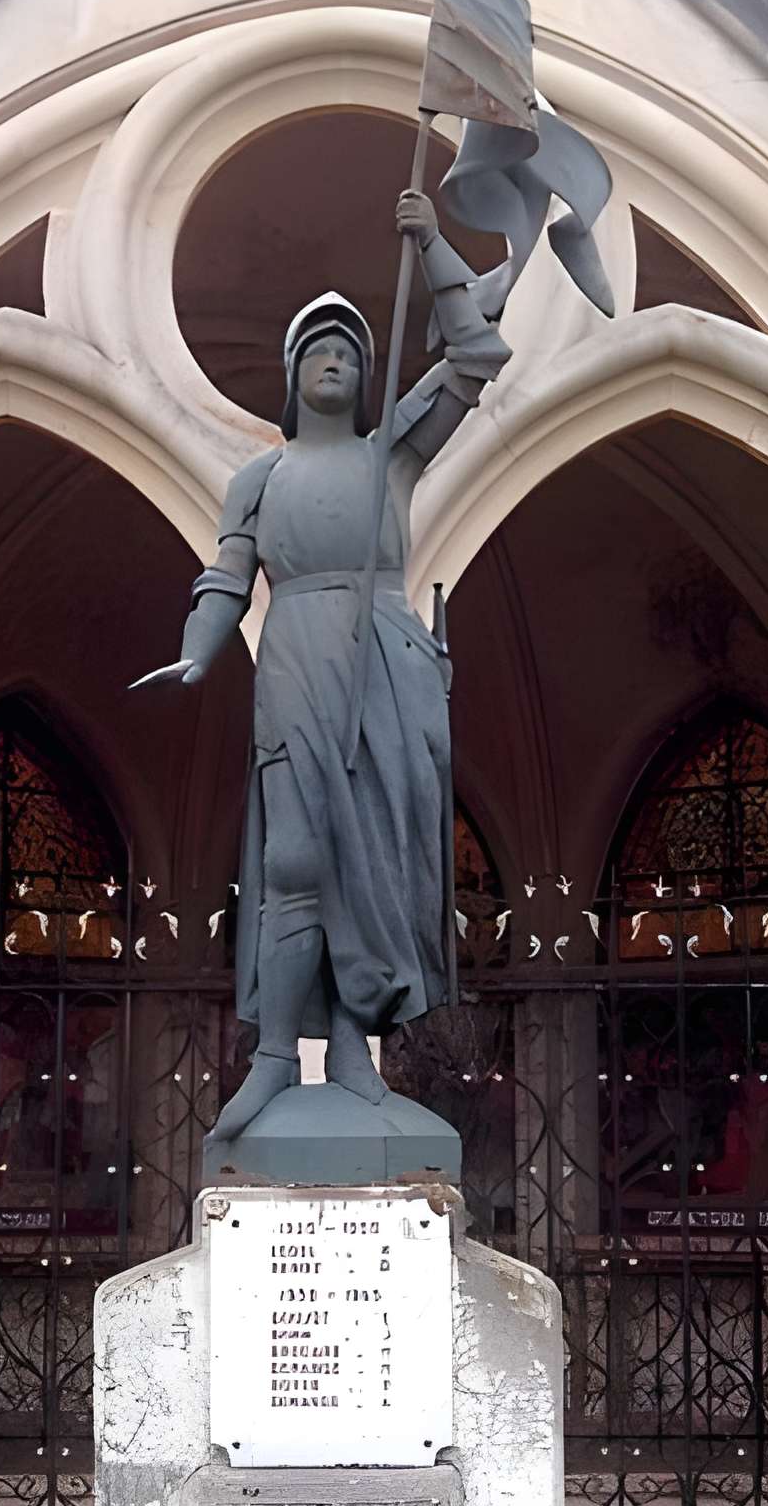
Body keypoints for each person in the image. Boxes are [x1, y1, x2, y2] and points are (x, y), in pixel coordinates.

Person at [135, 187, 511, 1139]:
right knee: (296, 856)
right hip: (297, 654)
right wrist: (195, 656)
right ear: (293, 374)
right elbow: (228, 575)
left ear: (367, 374)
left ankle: (352, 1050)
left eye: (348, 350)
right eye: (317, 350)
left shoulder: (393, 457)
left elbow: (475, 356)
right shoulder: (259, 477)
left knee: (369, 862)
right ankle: (274, 1058)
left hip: (386, 657)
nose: (334, 359)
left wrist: (433, 247)